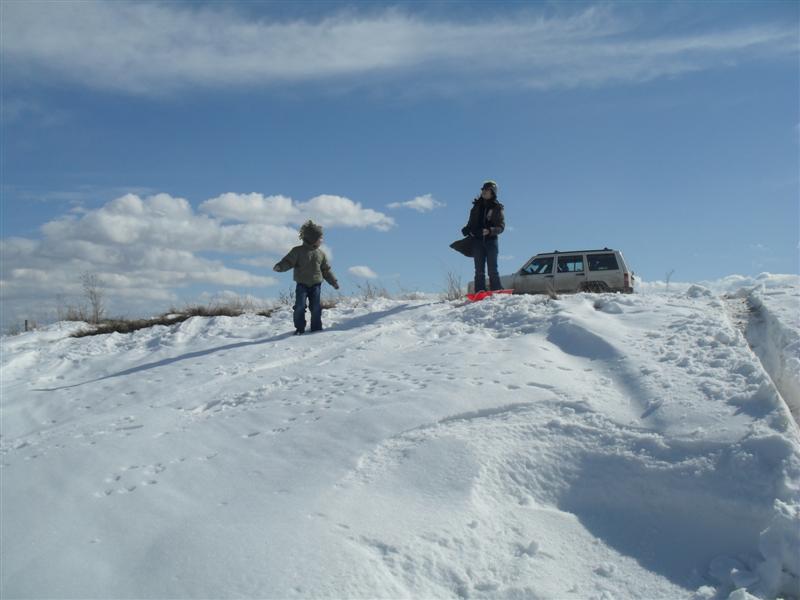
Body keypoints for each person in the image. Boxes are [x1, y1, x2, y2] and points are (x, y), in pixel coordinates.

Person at [273, 220, 339, 334]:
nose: (322, 240)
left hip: (316, 285)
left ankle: (316, 328)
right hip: (302, 284)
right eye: (320, 238)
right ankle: (299, 328)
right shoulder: (297, 251)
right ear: (312, 238)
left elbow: (326, 270)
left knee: (316, 307)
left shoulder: (321, 254)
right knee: (300, 306)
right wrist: (280, 267)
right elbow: (288, 261)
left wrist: (334, 282)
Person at [461, 180, 505, 292]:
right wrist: (466, 229)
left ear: (492, 192)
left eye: (487, 190)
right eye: (483, 189)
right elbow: (470, 224)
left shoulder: (497, 208)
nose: (484, 191)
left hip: (491, 242)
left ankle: (497, 292)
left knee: (492, 269)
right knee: (479, 270)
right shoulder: (476, 207)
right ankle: (480, 292)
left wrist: (490, 231)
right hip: (477, 242)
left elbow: (501, 227)